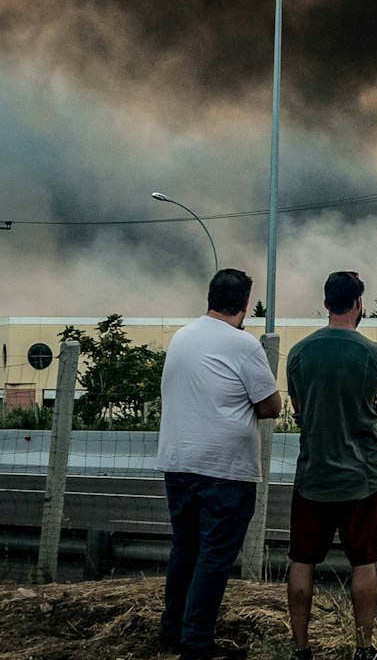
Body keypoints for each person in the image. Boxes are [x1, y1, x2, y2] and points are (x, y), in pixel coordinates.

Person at [156, 268, 282, 660]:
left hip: (178, 462)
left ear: (209, 297)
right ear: (245, 306)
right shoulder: (244, 346)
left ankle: (172, 630)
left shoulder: (181, 337)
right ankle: (197, 642)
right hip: (223, 469)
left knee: (185, 550)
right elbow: (271, 406)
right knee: (214, 556)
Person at [286, 271, 377, 660]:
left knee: (302, 561)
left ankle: (301, 649)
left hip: (311, 476)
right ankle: (364, 649)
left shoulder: (299, 353)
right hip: (361, 479)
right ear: (358, 303)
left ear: (327, 301)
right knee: (364, 563)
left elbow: (298, 410)